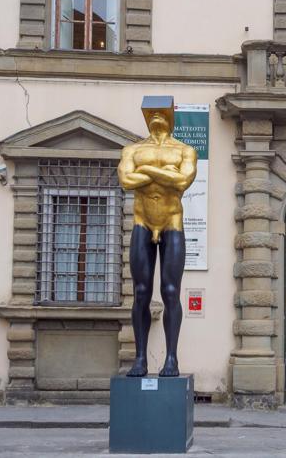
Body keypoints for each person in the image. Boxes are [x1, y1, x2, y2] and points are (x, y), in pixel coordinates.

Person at [117, 96, 197, 377]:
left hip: (172, 222)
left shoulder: (185, 150)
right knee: (140, 292)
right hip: (142, 221)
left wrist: (147, 171)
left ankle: (171, 358)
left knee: (171, 291)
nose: (156, 116)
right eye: (151, 112)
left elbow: (183, 181)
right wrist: (164, 173)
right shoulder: (132, 150)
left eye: (162, 112)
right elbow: (126, 181)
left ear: (171, 117)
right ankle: (140, 359)